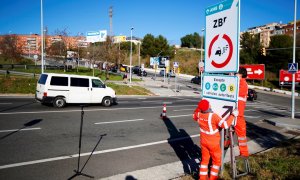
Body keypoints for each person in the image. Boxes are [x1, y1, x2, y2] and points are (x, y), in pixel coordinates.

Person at [193, 99, 238, 180]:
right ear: (208, 106)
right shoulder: (213, 116)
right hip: (213, 143)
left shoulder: (198, 115)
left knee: (204, 160)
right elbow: (225, 125)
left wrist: (200, 106)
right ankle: (213, 178)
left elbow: (194, 114)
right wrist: (233, 115)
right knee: (216, 161)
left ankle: (202, 178)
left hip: (203, 141)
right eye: (209, 104)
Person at [235, 67, 249, 158]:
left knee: (241, 135)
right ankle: (226, 144)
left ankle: (244, 153)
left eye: (236, 73)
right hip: (235, 112)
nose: (235, 74)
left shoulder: (242, 83)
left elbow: (235, 92)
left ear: (240, 74)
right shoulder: (240, 82)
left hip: (238, 114)